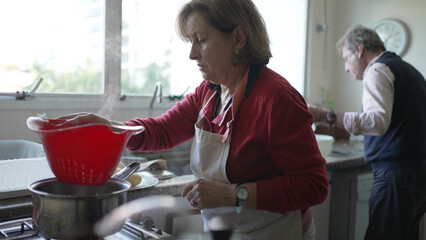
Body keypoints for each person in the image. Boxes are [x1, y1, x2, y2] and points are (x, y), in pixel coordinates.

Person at [56, 0, 328, 239]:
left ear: (238, 38)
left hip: (274, 234)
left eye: (202, 40)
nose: (192, 54)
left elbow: (313, 186)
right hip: (223, 230)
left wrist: (234, 194)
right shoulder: (209, 92)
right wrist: (109, 128)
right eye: (191, 42)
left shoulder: (278, 99)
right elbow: (162, 130)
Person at [309, 25, 426, 240]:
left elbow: (377, 121)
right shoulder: (409, 71)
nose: (346, 67)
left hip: (394, 178)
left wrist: (327, 115)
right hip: (415, 175)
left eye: (346, 58)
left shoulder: (378, 70)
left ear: (359, 50)